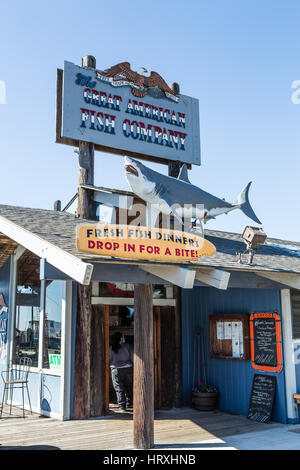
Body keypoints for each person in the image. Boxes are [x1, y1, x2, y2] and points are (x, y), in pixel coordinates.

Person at [109, 331, 133, 412]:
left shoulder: (111, 347)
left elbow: (109, 359)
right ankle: (130, 403)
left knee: (119, 388)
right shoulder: (127, 346)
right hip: (128, 368)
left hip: (116, 369)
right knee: (129, 387)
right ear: (121, 338)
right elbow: (133, 357)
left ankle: (122, 406)